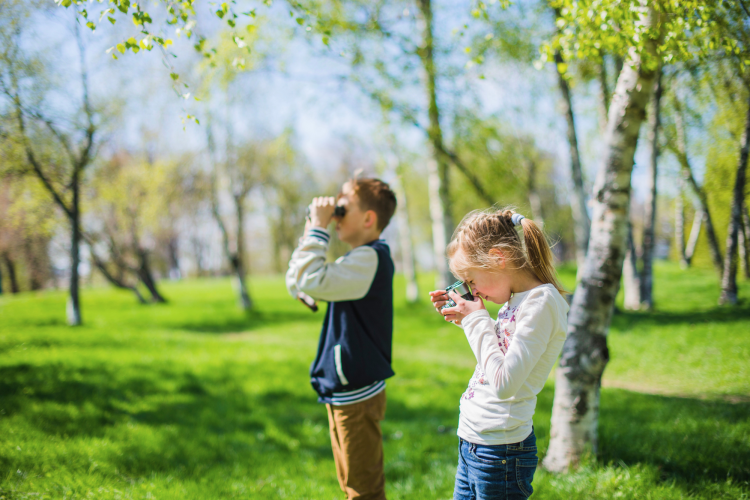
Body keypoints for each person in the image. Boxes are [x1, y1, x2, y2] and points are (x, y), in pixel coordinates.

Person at [429, 208, 569, 500]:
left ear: (497, 258)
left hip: (500, 453)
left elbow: (505, 383)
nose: (473, 291)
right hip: (473, 441)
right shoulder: (516, 300)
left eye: (471, 279)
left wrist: (476, 319)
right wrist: (466, 319)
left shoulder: (541, 303)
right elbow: (504, 347)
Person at [286, 178, 397, 500]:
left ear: (368, 219)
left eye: (342, 209)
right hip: (347, 387)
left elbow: (308, 277)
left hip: (357, 390)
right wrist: (313, 230)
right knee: (351, 484)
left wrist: (318, 229)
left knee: (363, 490)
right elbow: (299, 280)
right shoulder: (358, 260)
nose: (335, 217)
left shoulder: (370, 258)